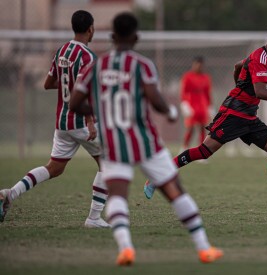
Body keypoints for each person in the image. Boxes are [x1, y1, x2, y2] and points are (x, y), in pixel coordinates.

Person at [69, 12, 223, 266]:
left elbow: (75, 103)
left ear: (112, 36)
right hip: (145, 142)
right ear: (136, 37)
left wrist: (99, 112)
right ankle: (204, 248)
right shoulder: (142, 65)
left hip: (113, 143)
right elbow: (156, 100)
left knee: (117, 195)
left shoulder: (96, 66)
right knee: (175, 191)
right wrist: (172, 112)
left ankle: (126, 247)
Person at [144, 22, 267, 216]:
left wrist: (239, 83)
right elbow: (260, 91)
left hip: (249, 116)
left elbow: (238, 65)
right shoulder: (261, 58)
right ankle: (157, 177)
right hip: (233, 114)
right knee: (204, 151)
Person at [0, 10, 109, 228]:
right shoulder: (88, 57)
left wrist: (67, 85)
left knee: (54, 168)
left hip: (62, 122)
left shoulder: (62, 51)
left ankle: (10, 193)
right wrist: (89, 121)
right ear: (91, 29)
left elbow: (48, 84)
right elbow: (84, 90)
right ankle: (94, 218)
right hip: (81, 123)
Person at [180, 56, 213, 150]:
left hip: (202, 105)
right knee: (190, 127)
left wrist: (210, 107)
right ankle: (184, 148)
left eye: (201, 65)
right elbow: (183, 92)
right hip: (191, 105)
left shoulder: (206, 77)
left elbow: (207, 93)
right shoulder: (187, 76)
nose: (199, 67)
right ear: (193, 65)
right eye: (197, 65)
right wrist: (184, 105)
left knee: (203, 128)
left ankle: (201, 150)